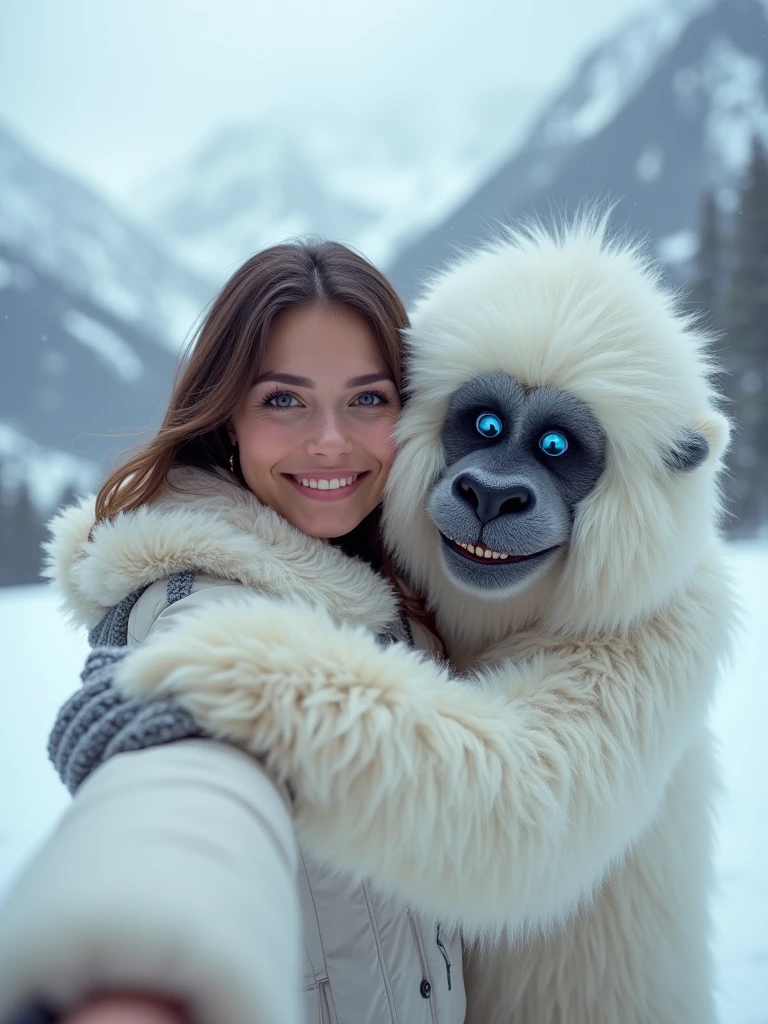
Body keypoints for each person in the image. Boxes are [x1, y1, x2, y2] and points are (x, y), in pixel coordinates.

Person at [0, 240, 465, 1024]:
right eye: (284, 400)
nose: (329, 440)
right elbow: (185, 781)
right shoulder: (207, 604)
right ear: (228, 420)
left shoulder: (411, 590)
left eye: (368, 399)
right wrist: (132, 975)